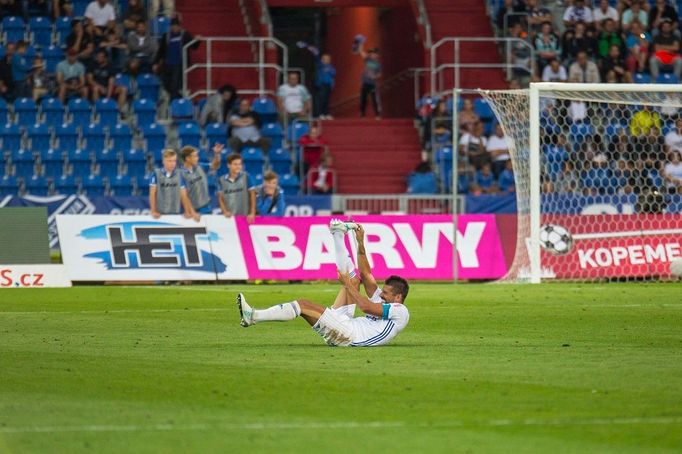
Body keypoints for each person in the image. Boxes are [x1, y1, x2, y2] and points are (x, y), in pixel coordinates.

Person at [236, 220, 410, 348]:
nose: (381, 294)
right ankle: (338, 235)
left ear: (398, 297)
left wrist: (346, 285)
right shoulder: (384, 300)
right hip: (347, 325)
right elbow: (365, 274)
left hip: (350, 336)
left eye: (386, 293)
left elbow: (365, 307)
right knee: (355, 280)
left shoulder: (400, 311)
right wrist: (360, 242)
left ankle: (253, 316)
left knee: (304, 303)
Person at [153, 17, 199, 99]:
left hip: (179, 64)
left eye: (176, 26)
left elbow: (194, 46)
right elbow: (161, 50)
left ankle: (173, 104)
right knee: (166, 84)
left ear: (180, 26)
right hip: (167, 64)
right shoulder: (166, 36)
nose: (174, 28)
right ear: (170, 27)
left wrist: (197, 40)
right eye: (173, 26)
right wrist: (156, 63)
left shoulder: (185, 34)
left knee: (175, 85)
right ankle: (178, 98)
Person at [149, 149, 196, 219]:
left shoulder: (180, 174)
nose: (172, 163)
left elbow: (183, 194)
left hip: (176, 214)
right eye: (170, 161)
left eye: (174, 161)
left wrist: (187, 211)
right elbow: (152, 193)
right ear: (163, 161)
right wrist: (153, 211)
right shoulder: (156, 174)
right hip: (160, 215)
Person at [179, 144, 222, 217]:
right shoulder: (180, 174)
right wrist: (191, 212)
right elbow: (183, 195)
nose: (197, 158)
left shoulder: (200, 167)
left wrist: (217, 154)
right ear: (187, 158)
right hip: (192, 211)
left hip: (206, 208)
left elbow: (215, 166)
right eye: (195, 156)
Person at [216, 153, 256, 223]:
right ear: (228, 165)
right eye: (235, 164)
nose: (238, 166)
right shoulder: (221, 180)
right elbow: (220, 198)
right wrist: (225, 211)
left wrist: (252, 213)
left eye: (240, 164)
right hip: (229, 218)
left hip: (244, 217)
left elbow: (252, 195)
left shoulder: (246, 177)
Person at [357, 42, 382, 118]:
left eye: (374, 54)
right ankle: (362, 113)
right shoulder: (367, 60)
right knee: (363, 99)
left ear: (377, 55)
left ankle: (377, 115)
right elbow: (361, 51)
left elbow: (380, 74)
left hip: (372, 84)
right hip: (365, 82)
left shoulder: (378, 64)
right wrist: (361, 43)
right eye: (372, 53)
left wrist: (375, 76)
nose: (373, 55)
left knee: (374, 99)